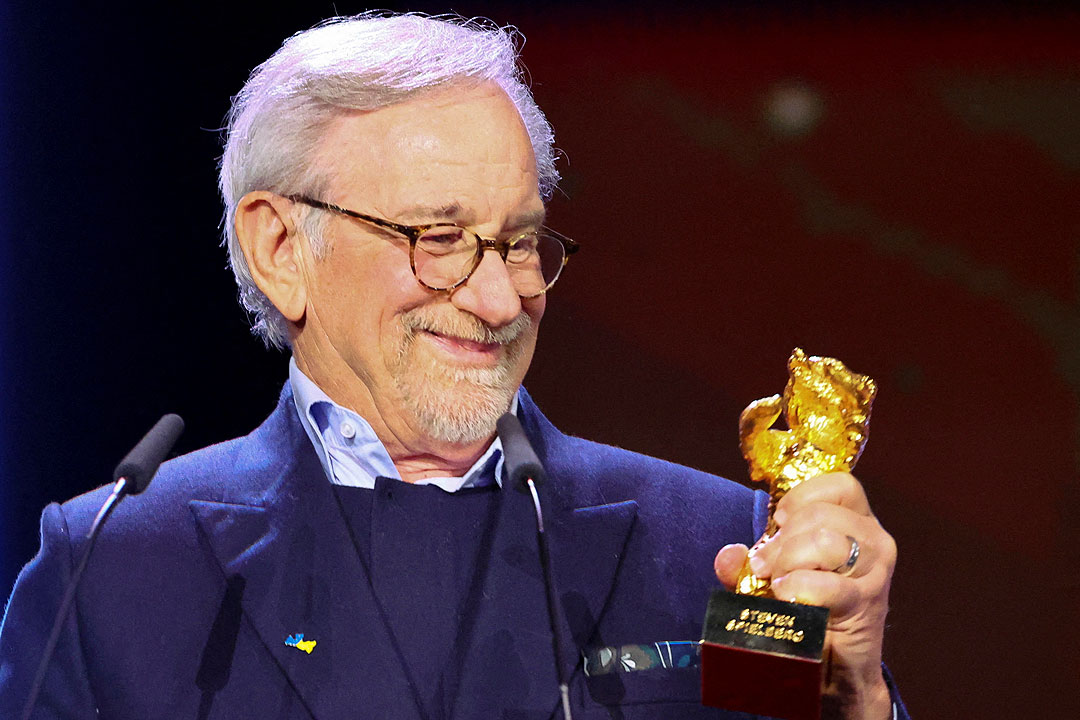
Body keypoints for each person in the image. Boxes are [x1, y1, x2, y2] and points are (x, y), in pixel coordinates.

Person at [0, 13, 906, 720]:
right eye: (439, 239)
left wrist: (858, 698)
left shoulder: (720, 548)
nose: (502, 300)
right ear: (281, 248)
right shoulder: (112, 566)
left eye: (520, 242)